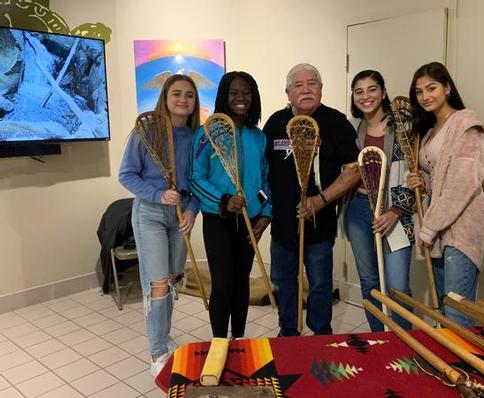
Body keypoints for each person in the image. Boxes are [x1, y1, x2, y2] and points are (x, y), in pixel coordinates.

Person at [264, 63, 360, 336]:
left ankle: (320, 334)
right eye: (298, 85)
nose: (306, 89)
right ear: (288, 92)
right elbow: (263, 169)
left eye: (312, 83)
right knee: (283, 280)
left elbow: (354, 171)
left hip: (320, 225)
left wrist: (320, 200)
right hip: (283, 225)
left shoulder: (335, 122)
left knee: (319, 283)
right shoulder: (274, 123)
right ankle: (288, 331)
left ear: (321, 88)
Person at [119, 74, 201, 377]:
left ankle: (164, 335)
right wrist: (158, 194)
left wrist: (192, 209)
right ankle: (156, 353)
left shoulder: (196, 137)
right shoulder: (145, 132)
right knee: (157, 284)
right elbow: (127, 175)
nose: (183, 100)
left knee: (173, 278)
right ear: (165, 97)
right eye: (176, 94)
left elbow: (199, 181)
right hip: (150, 214)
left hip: (180, 218)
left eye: (189, 95)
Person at [407, 62, 484, 326]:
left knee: (458, 311)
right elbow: (441, 178)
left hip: (462, 227)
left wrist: (429, 226)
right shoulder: (430, 130)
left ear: (447, 87)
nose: (425, 96)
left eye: (431, 88)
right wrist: (421, 182)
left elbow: (463, 182)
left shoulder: (466, 123)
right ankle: (450, 366)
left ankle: (470, 366)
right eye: (419, 92)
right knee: (445, 310)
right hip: (440, 227)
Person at [189, 71, 271, 339]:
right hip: (218, 221)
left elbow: (265, 180)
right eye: (234, 92)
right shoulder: (206, 133)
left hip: (250, 222)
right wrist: (223, 200)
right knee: (222, 285)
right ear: (224, 96)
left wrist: (265, 215)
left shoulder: (258, 137)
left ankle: (238, 339)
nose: (240, 98)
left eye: (246, 92)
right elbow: (195, 177)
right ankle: (219, 342)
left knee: (241, 283)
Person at [345, 70, 415, 332]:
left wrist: (396, 211)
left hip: (395, 212)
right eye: (359, 91)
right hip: (359, 209)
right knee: (369, 279)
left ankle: (402, 341)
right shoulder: (352, 129)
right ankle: (380, 339)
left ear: (383, 92)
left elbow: (416, 174)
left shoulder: (404, 128)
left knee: (398, 285)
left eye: (372, 89)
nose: (366, 96)